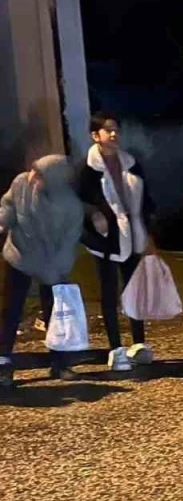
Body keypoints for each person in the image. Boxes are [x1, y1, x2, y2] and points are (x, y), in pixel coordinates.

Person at [79, 112, 156, 371]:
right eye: (108, 130)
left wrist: (149, 231)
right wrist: (94, 214)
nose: (114, 134)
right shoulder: (87, 168)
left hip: (132, 235)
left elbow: (146, 200)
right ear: (95, 135)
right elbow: (78, 200)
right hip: (105, 240)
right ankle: (116, 347)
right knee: (109, 292)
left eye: (116, 130)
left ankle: (139, 342)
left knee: (134, 289)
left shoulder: (131, 163)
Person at [0, 155, 84, 387]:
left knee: (55, 313)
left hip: (50, 262)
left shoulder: (71, 207)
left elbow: (68, 244)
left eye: (39, 175)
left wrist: (55, 272)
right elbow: (8, 205)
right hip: (20, 254)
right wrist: (2, 222)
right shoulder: (21, 183)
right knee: (10, 309)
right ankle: (3, 360)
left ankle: (60, 362)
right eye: (33, 171)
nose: (31, 177)